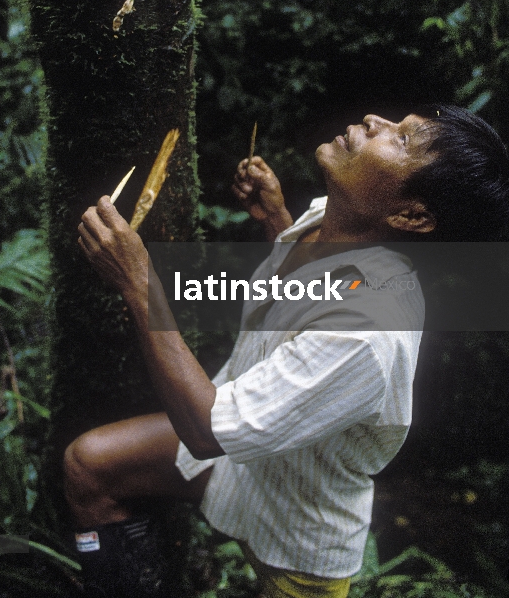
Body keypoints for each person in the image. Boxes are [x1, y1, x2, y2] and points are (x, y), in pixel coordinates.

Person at [64, 105, 509, 598]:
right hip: (245, 456)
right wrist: (277, 220)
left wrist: (137, 283)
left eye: (401, 140)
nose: (373, 119)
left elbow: (206, 433)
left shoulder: (369, 333)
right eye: (396, 121)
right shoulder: (330, 223)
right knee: (89, 466)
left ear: (411, 215)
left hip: (296, 527)